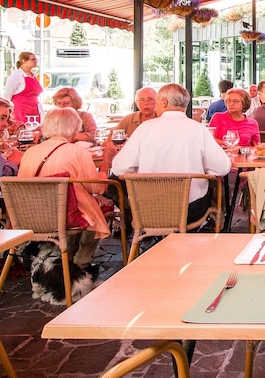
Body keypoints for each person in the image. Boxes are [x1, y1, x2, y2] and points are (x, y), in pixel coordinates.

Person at [111, 83, 231, 223]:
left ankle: (145, 234)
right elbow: (222, 168)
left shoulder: (144, 129)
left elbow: (119, 168)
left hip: (148, 209)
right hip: (188, 211)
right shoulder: (199, 129)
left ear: (164, 102)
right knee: (209, 192)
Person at [18, 107, 108, 269]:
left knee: (77, 199)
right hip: (66, 215)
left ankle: (67, 255)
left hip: (32, 214)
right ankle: (82, 260)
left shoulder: (30, 152)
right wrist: (105, 164)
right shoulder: (78, 152)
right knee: (97, 207)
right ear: (74, 128)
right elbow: (97, 188)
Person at [2, 52, 43, 124]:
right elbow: (6, 97)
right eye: (33, 59)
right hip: (21, 112)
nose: (36, 61)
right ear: (24, 61)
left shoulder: (33, 75)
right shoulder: (16, 76)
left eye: (36, 59)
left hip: (34, 111)